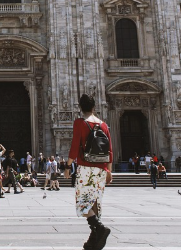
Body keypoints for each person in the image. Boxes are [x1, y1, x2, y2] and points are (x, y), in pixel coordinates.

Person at [67, 94, 113, 250]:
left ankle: (99, 229)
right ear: (94, 107)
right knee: (94, 204)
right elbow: (110, 150)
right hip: (101, 169)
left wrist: (68, 166)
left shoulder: (80, 123)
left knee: (83, 205)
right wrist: (109, 171)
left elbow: (74, 147)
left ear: (80, 107)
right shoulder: (104, 125)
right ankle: (93, 240)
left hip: (86, 168)